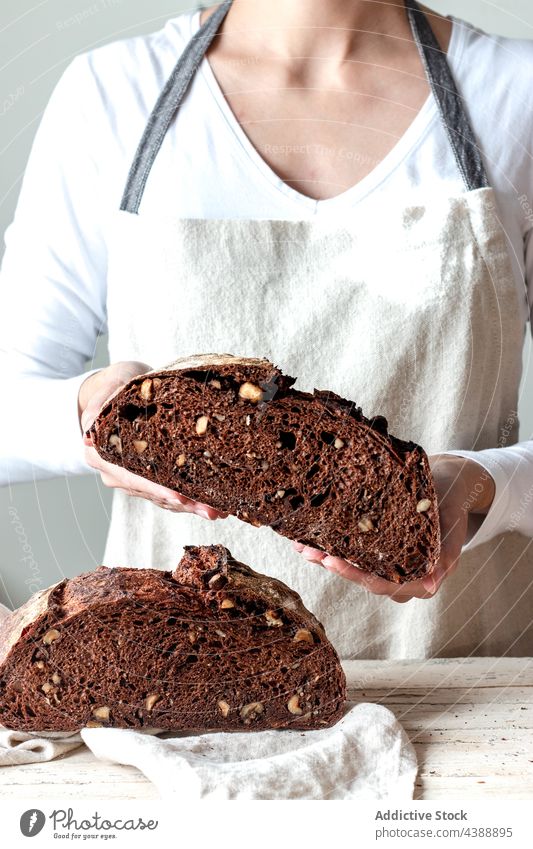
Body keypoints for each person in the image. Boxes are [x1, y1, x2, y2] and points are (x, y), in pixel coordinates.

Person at [1, 0, 533, 658]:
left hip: (472, 691)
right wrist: (92, 414)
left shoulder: (516, 91)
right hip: (184, 699)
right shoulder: (114, 94)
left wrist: (486, 483)